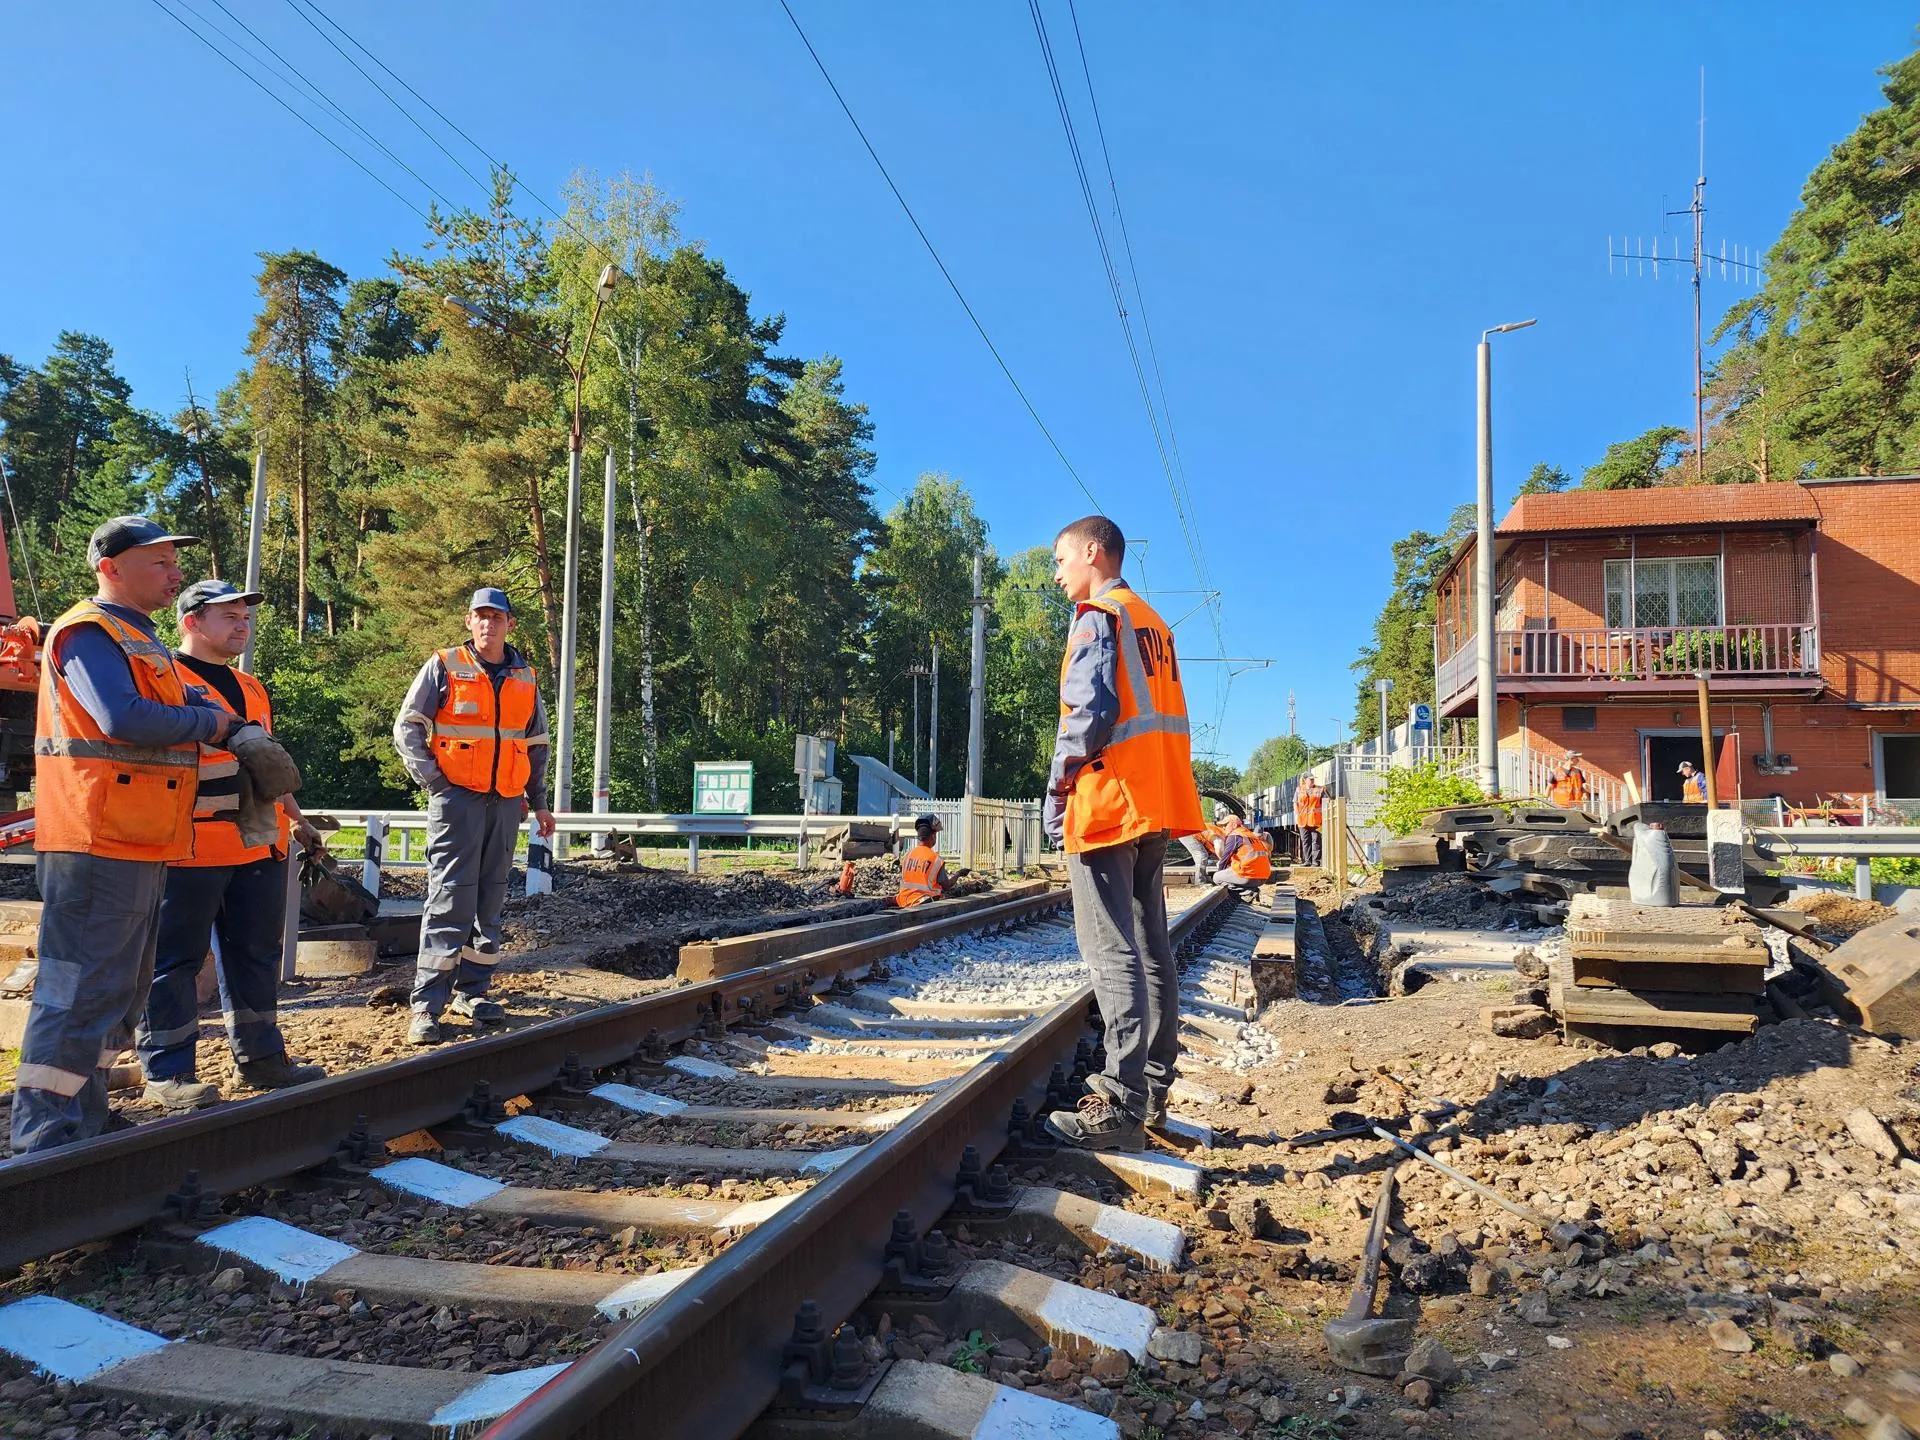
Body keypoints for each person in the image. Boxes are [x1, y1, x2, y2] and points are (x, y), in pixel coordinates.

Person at [10, 517, 232, 1153]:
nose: (176, 573)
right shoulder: (89, 631)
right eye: (160, 563)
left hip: (135, 835)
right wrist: (212, 724)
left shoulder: (142, 640)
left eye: (174, 562)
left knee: (119, 988)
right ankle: (44, 1132)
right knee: (77, 985)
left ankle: (88, 1116)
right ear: (110, 567)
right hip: (93, 834)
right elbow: (121, 717)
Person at [1042, 515, 1204, 1151]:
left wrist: (1058, 789)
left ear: (1091, 552)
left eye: (1060, 561)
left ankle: (1119, 1105)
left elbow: (1089, 715)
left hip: (1108, 801)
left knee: (1111, 949)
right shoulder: (1155, 624)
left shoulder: (1098, 618)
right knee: (1150, 943)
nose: (1056, 574)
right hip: (1154, 799)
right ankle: (1155, 1090)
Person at [135, 580, 327, 1112]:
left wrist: (299, 821)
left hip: (256, 846)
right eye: (228, 616)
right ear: (191, 622)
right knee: (174, 961)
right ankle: (168, 1072)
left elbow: (267, 765)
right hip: (188, 844)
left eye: (244, 615)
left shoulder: (252, 687)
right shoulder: (164, 678)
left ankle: (262, 1060)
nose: (242, 623)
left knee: (254, 956)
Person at [393, 589, 554, 1046]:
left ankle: (473, 990)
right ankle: (427, 1004)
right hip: (456, 801)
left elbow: (536, 745)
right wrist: (437, 783)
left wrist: (538, 801)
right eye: (481, 617)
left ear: (510, 624)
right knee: (449, 898)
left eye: (496, 617)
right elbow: (408, 727)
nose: (488, 624)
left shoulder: (525, 677)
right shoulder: (443, 666)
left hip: (505, 803)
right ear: (469, 622)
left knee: (489, 900)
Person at [1212, 813, 1273, 897]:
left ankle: (1246, 892)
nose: (1223, 828)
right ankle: (1250, 889)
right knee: (1230, 869)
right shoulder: (1251, 835)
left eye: (1225, 825)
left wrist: (1220, 871)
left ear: (1233, 825)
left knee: (1216, 877)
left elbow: (1225, 858)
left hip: (1249, 876)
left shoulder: (1235, 836)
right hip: (1263, 877)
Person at [896, 814, 947, 907]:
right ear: (933, 835)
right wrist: (958, 874)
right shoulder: (936, 859)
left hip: (903, 902)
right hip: (925, 902)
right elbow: (946, 886)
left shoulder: (907, 856)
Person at [1294, 774, 1325, 867]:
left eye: (1313, 779)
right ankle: (1307, 861)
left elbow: (1325, 802)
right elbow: (1295, 803)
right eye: (1310, 779)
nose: (1312, 781)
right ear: (1305, 780)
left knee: (1316, 841)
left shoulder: (1320, 790)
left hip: (1316, 820)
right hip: (1302, 820)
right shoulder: (1299, 790)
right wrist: (1297, 815)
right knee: (1305, 841)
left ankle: (1315, 861)